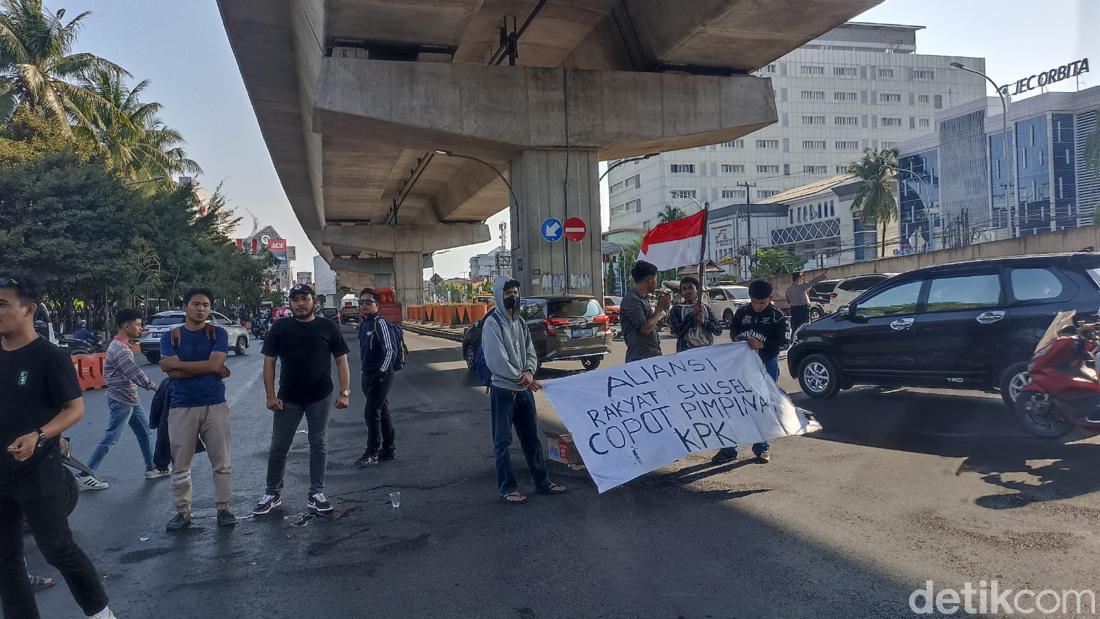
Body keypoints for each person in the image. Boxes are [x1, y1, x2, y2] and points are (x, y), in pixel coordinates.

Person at [0, 274, 115, 619]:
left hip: (38, 471)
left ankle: (100, 613)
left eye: (2, 304)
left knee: (56, 548)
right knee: (5, 559)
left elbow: (75, 409)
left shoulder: (49, 356)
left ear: (29, 309)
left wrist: (40, 435)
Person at [253, 284, 350, 516]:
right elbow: (269, 362)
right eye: (295, 299)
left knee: (318, 444)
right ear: (290, 304)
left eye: (304, 298)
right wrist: (270, 396)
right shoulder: (280, 327)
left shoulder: (328, 326)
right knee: (279, 446)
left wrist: (345, 392)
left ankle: (317, 493)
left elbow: (341, 360)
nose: (300, 303)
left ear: (314, 301)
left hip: (320, 396)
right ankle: (272, 493)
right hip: (288, 398)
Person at [482, 278, 567, 504]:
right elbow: (496, 360)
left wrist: (530, 371)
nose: (514, 296)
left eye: (516, 292)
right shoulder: (493, 324)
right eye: (509, 292)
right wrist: (523, 378)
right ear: (500, 295)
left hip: (524, 391)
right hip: (503, 391)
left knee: (532, 440)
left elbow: (530, 350)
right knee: (503, 442)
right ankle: (507, 488)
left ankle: (543, 482)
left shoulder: (519, 322)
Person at [158, 288, 236, 531]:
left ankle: (223, 509)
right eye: (196, 304)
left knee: (221, 461)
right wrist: (211, 368)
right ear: (185, 307)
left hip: (215, 405)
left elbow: (211, 364)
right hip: (181, 407)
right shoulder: (171, 337)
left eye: (205, 305)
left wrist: (180, 366)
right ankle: (182, 512)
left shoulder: (218, 333)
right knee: (181, 464)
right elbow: (171, 373)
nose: (201, 308)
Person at [77, 309, 167, 490]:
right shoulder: (120, 350)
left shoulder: (121, 345)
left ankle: (152, 468)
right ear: (126, 325)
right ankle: (86, 473)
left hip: (130, 399)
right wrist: (154, 386)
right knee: (111, 438)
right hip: (122, 401)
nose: (141, 328)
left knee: (145, 432)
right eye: (138, 324)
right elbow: (134, 373)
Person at [714, 279, 790, 465]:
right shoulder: (742, 313)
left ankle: (761, 448)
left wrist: (762, 344)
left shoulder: (777, 317)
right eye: (754, 302)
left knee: (762, 406)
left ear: (770, 299)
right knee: (735, 405)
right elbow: (733, 333)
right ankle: (729, 449)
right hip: (741, 366)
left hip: (766, 365)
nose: (757, 306)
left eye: (761, 303)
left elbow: (785, 343)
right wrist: (740, 339)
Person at [355, 288, 397, 468]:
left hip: (381, 376)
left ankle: (372, 452)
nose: (364, 305)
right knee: (383, 413)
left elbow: (390, 350)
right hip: (368, 376)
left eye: (368, 302)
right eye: (361, 302)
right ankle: (388, 449)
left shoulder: (380, 323)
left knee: (371, 414)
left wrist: (381, 373)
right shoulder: (365, 324)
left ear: (377, 305)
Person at [620, 260, 672, 363]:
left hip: (652, 356)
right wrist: (660, 307)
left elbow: (652, 322)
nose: (656, 282)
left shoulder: (643, 299)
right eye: (655, 278)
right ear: (649, 280)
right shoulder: (632, 300)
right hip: (640, 358)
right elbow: (645, 329)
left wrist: (663, 310)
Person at [669, 276, 722, 352]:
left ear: (697, 290)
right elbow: (678, 333)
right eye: (684, 289)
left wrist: (704, 322)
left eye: (690, 288)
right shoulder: (676, 309)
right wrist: (692, 315)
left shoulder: (705, 308)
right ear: (681, 293)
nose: (687, 291)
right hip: (685, 351)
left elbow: (718, 331)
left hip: (706, 351)